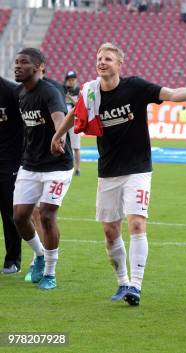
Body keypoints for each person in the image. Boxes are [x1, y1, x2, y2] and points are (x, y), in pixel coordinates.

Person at [51, 43, 186, 305]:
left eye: (108, 59)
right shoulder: (90, 93)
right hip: (108, 171)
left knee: (136, 223)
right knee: (110, 232)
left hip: (137, 168)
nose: (102, 62)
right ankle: (123, 282)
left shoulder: (135, 87)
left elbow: (171, 94)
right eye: (99, 58)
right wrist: (58, 135)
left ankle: (136, 286)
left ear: (119, 64)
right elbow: (74, 113)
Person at [13, 48, 73, 290]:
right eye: (16, 62)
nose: (18, 66)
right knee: (19, 217)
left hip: (57, 165)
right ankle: (39, 255)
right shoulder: (20, 94)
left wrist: (59, 137)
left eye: (24, 62)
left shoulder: (49, 91)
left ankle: (50, 273)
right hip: (30, 164)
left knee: (47, 215)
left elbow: (60, 117)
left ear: (40, 68)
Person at [0, 75, 23, 274]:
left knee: (9, 212)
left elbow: (24, 126)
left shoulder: (11, 91)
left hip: (9, 162)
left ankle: (12, 260)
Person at [63, 70, 82, 176]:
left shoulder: (79, 91)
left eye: (73, 79)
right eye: (69, 80)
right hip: (63, 121)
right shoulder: (62, 90)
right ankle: (66, 166)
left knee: (76, 146)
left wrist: (69, 98)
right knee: (63, 145)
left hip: (75, 122)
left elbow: (80, 107)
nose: (71, 82)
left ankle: (78, 169)